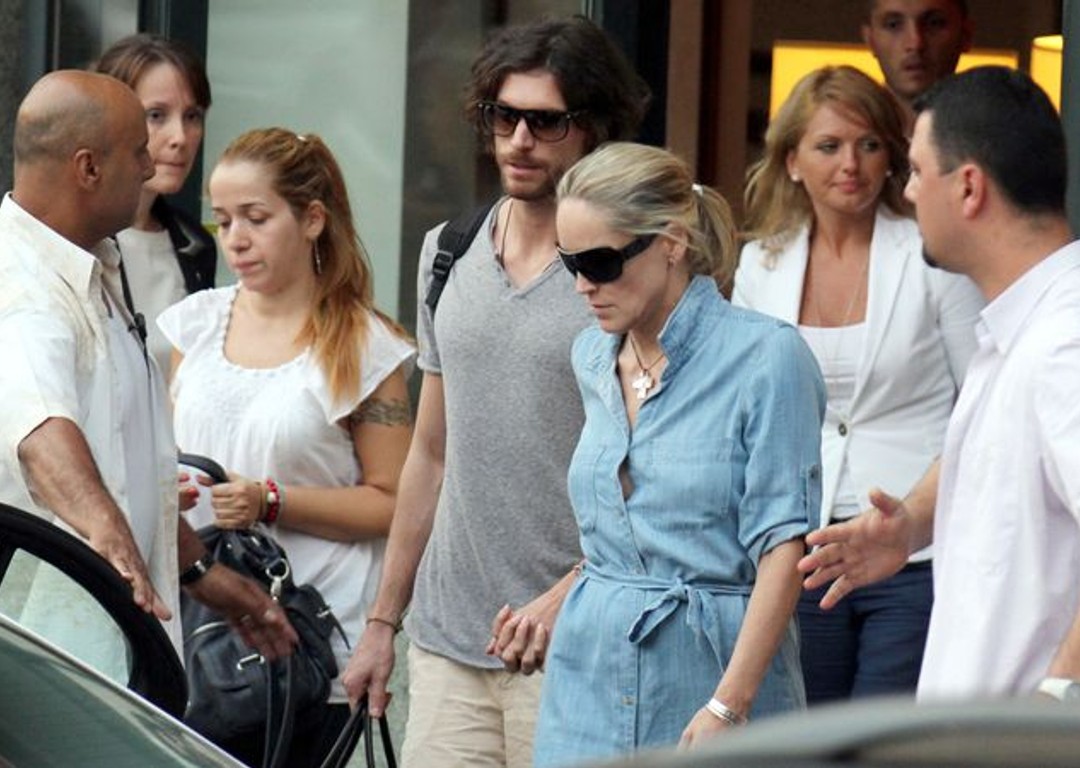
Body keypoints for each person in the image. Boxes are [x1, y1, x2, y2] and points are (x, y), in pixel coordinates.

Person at [341, 15, 650, 768]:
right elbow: (429, 453)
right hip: (450, 640)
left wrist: (568, 596)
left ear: (593, 127)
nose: (518, 140)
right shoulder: (447, 252)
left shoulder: (624, 271)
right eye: (502, 117)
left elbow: (652, 473)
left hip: (576, 640)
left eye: (545, 122)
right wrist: (382, 622)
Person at [490, 142, 824, 766]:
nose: (583, 285)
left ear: (670, 242)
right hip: (587, 683)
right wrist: (556, 601)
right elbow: (631, 532)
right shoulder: (592, 358)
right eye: (569, 263)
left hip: (711, 673)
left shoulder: (767, 357)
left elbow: (783, 550)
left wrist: (729, 704)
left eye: (601, 262)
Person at [0, 70, 294, 683]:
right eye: (138, 150)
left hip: (100, 649)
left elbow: (126, 465)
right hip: (42, 665)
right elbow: (40, 431)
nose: (150, 166)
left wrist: (200, 573)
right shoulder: (22, 289)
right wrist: (111, 541)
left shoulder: (89, 266)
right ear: (88, 168)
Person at [800, 67, 1080, 701]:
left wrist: (1059, 696)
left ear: (969, 188)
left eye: (918, 171)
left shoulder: (1063, 341)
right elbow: (993, 460)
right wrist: (910, 525)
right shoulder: (1020, 327)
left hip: (1030, 738)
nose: (906, 190)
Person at [158, 127, 414, 767]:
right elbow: (165, 452)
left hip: (306, 651)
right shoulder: (196, 324)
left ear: (312, 219)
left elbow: (395, 502)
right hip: (195, 636)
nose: (236, 239)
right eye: (223, 221)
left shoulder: (363, 345)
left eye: (256, 217)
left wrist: (271, 501)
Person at [733, 66, 983, 703]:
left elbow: (982, 399)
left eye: (869, 144)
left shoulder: (933, 255)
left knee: (886, 733)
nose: (851, 164)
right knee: (809, 732)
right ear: (792, 161)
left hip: (912, 548)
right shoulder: (761, 263)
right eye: (829, 146)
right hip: (802, 548)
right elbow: (745, 409)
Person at [94, 33, 217, 377]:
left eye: (192, 116)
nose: (180, 137)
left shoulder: (196, 244)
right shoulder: (74, 240)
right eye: (157, 115)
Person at [862, 0, 973, 127]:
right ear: (870, 39)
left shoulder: (990, 127)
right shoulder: (848, 130)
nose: (915, 44)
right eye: (893, 25)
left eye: (934, 23)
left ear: (965, 35)